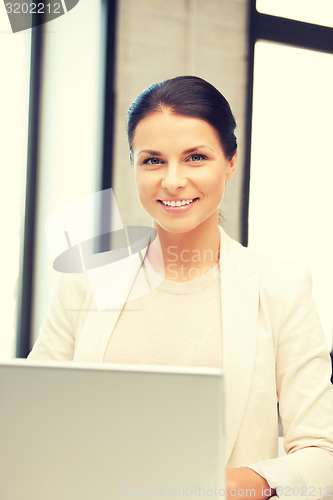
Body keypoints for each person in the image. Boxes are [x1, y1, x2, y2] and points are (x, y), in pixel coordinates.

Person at [29, 76, 333, 498]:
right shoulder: (87, 281)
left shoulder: (281, 287)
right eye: (153, 160)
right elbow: (31, 420)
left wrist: (233, 485)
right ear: (133, 163)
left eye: (195, 157)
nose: (172, 181)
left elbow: (322, 454)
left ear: (230, 161)